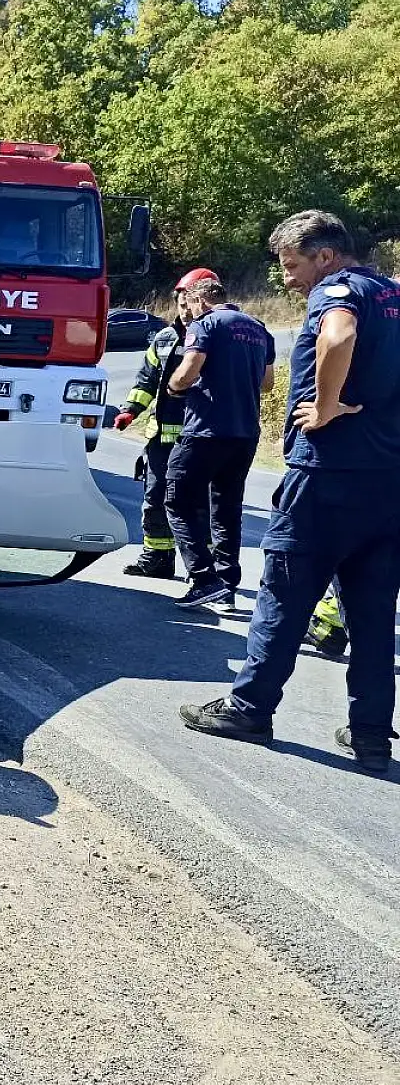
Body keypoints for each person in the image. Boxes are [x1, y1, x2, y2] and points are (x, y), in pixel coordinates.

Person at [179, 210, 400, 774]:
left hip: (327, 475)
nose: (287, 279)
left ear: (324, 256)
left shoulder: (339, 292)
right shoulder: (393, 295)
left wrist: (327, 406)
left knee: (284, 592)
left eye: (292, 264)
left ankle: (249, 708)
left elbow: (339, 334)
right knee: (372, 613)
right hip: (389, 482)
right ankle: (372, 734)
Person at [162, 277, 275, 608]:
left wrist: (174, 388)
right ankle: (226, 583)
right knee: (226, 508)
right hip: (245, 433)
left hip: (206, 430)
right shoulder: (258, 328)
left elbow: (188, 371)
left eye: (190, 305)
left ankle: (203, 577)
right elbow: (267, 384)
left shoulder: (206, 324)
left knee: (177, 498)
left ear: (200, 301)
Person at [114, 268, 220, 579]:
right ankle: (157, 558)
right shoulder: (164, 338)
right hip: (161, 436)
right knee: (156, 497)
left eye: (192, 303)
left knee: (201, 503)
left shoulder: (217, 335)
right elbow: (147, 379)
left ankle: (203, 566)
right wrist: (130, 409)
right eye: (182, 303)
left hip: (201, 436)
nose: (186, 310)